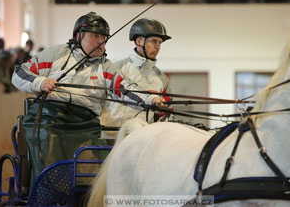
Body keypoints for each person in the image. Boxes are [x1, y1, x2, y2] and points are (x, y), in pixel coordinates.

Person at [12, 12, 165, 188]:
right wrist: (40, 82)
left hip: (86, 124)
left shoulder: (107, 67)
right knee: (51, 160)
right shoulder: (56, 54)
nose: (101, 41)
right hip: (48, 119)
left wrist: (151, 99)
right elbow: (19, 73)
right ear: (79, 36)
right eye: (95, 36)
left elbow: (126, 88)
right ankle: (49, 194)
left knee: (97, 173)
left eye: (104, 38)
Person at [101, 18, 172, 139]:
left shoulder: (162, 79)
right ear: (139, 41)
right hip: (110, 138)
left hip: (140, 142)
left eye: (160, 43)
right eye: (154, 41)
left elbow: (167, 114)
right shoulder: (115, 68)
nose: (158, 47)